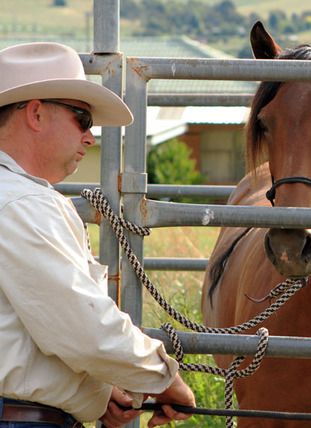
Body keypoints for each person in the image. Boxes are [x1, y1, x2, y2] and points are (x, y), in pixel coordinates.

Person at [0, 42, 196, 427]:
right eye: (82, 119)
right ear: (36, 113)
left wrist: (94, 395)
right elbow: (81, 328)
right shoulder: (23, 204)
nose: (90, 137)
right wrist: (162, 377)